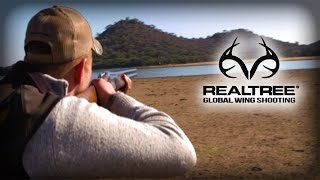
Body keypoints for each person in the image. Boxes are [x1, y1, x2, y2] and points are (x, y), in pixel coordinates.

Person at [0, 5, 196, 178]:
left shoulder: (11, 91)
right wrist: (112, 97)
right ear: (82, 67)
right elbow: (181, 151)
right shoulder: (56, 120)